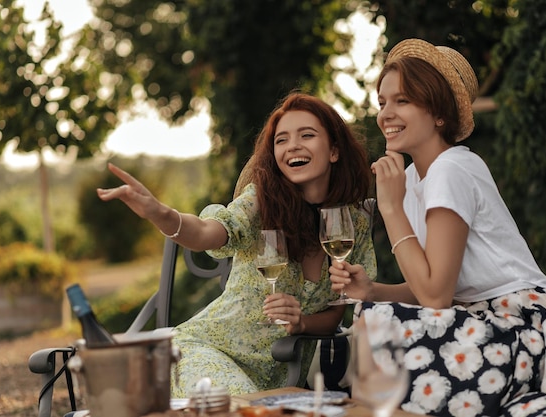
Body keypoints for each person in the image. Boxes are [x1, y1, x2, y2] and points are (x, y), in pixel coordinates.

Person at [329, 38, 546, 416]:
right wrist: (373, 290)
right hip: (481, 315)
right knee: (373, 313)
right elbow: (434, 284)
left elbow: (435, 297)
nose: (385, 114)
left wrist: (391, 208)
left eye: (402, 101)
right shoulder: (413, 178)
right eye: (382, 102)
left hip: (529, 323)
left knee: (381, 322)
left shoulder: (452, 167)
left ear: (439, 114)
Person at [96, 92, 376, 396]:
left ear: (334, 150)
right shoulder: (260, 202)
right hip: (201, 352)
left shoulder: (353, 225)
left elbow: (335, 315)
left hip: (273, 379)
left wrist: (301, 323)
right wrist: (160, 213)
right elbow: (206, 233)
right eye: (281, 140)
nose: (292, 145)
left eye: (306, 135)